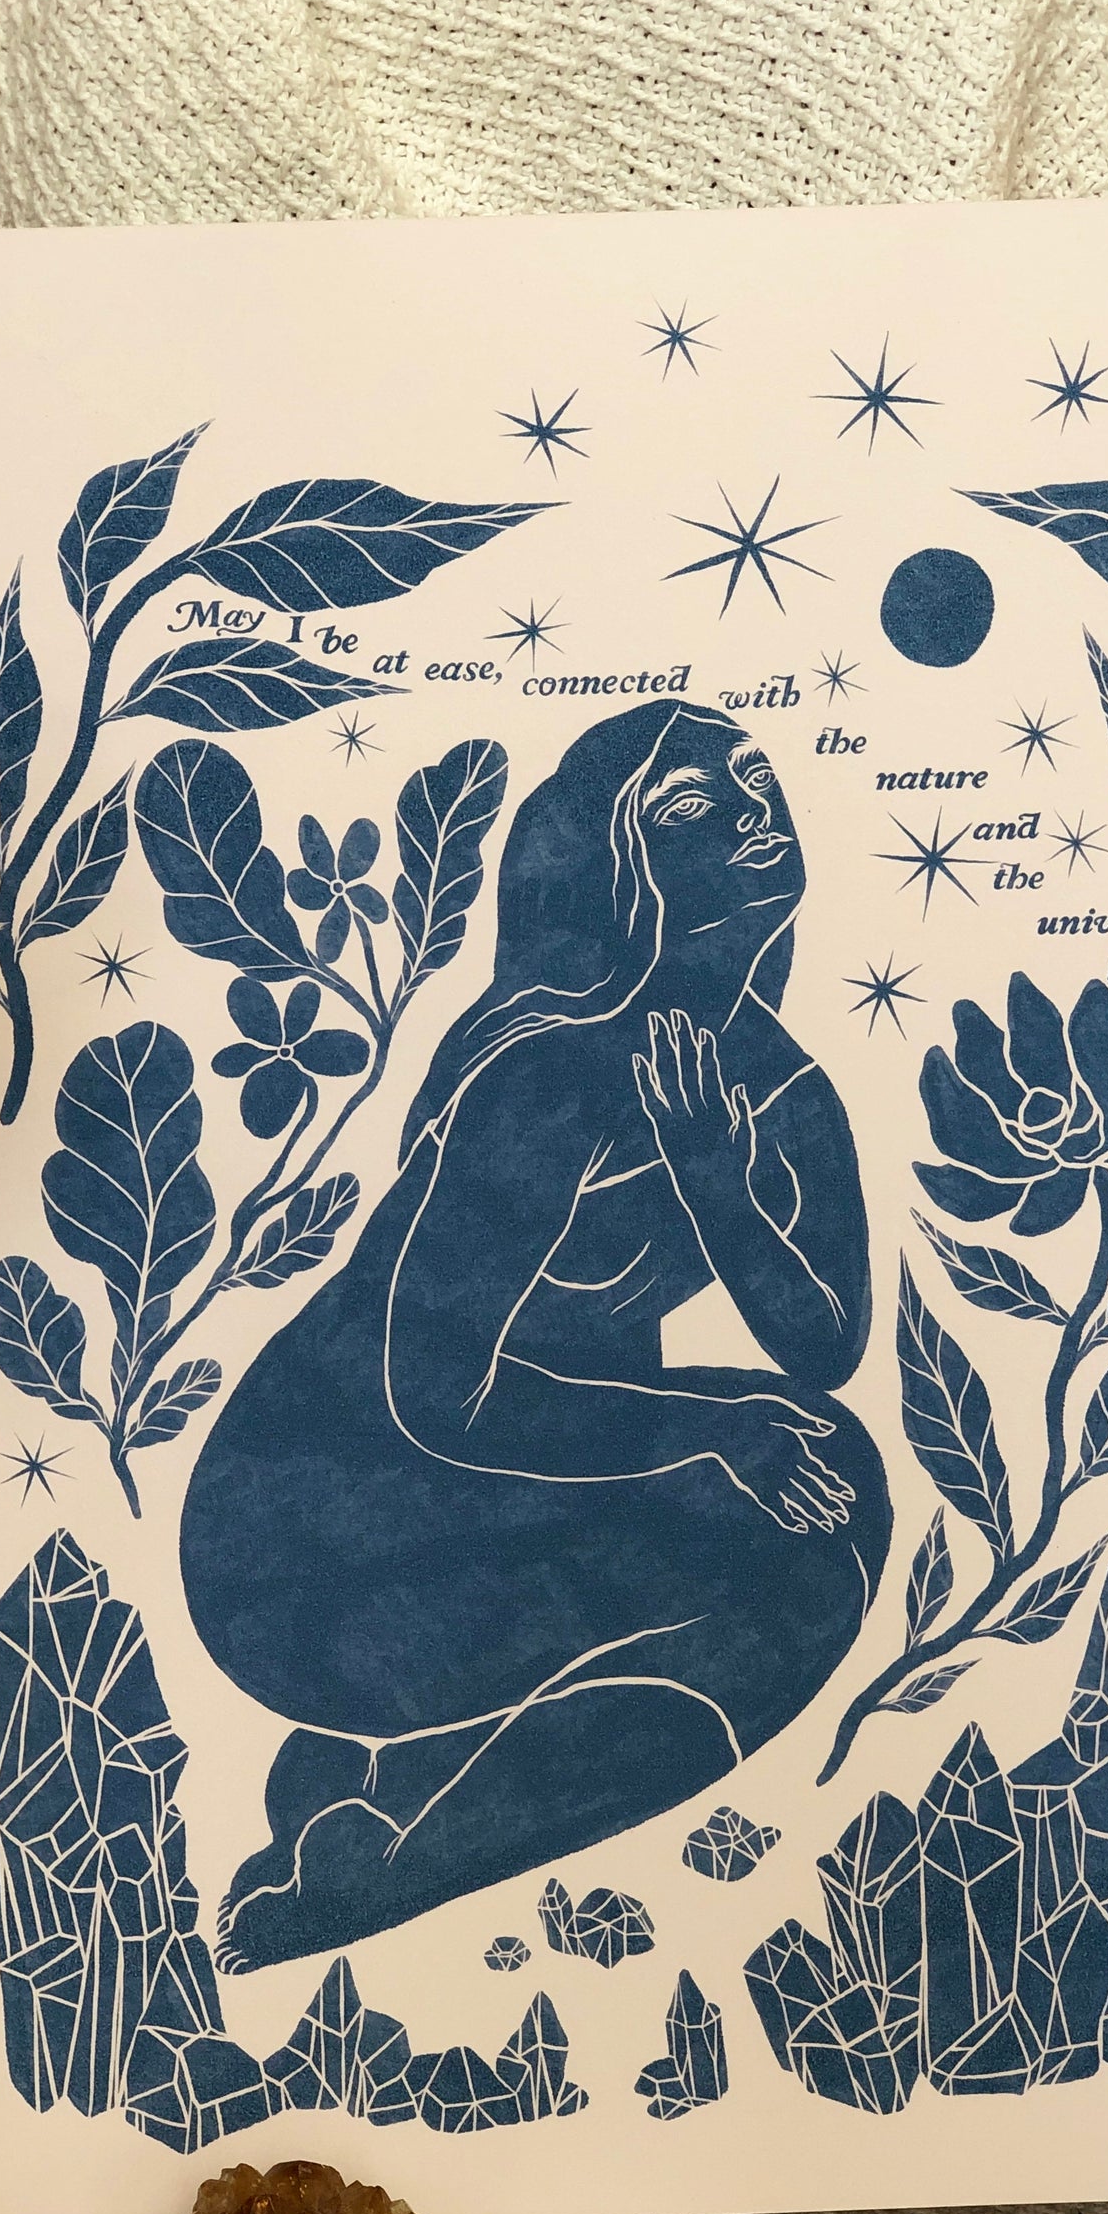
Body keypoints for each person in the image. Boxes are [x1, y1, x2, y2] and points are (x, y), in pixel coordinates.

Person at [183, 698, 892, 1968]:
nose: (753, 812)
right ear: (618, 870)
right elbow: (435, 1394)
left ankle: (404, 1774)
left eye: (754, 778)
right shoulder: (543, 1067)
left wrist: (718, 1183)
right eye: (694, 807)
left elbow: (826, 1349)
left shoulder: (783, 1088)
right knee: (792, 1507)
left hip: (550, 1490)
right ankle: (393, 1865)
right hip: (324, 1518)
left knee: (829, 1482)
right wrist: (710, 1427)